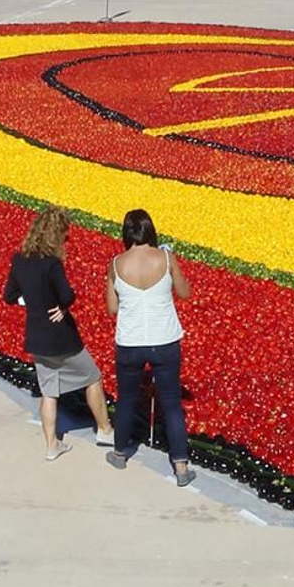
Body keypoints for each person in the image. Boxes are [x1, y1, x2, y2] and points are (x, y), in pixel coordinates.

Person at [3, 208, 115, 460]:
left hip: (37, 339)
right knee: (92, 377)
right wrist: (59, 307)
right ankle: (105, 431)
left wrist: (32, 303)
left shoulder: (19, 259)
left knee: (49, 392)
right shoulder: (51, 263)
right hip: (61, 338)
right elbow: (67, 296)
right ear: (56, 235)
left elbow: (9, 296)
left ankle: (52, 445)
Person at [105, 207, 193, 485]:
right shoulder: (166, 258)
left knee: (127, 398)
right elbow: (184, 293)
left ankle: (119, 453)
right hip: (164, 340)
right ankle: (180, 466)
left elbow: (111, 308)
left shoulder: (116, 263)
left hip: (130, 342)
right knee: (171, 404)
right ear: (150, 231)